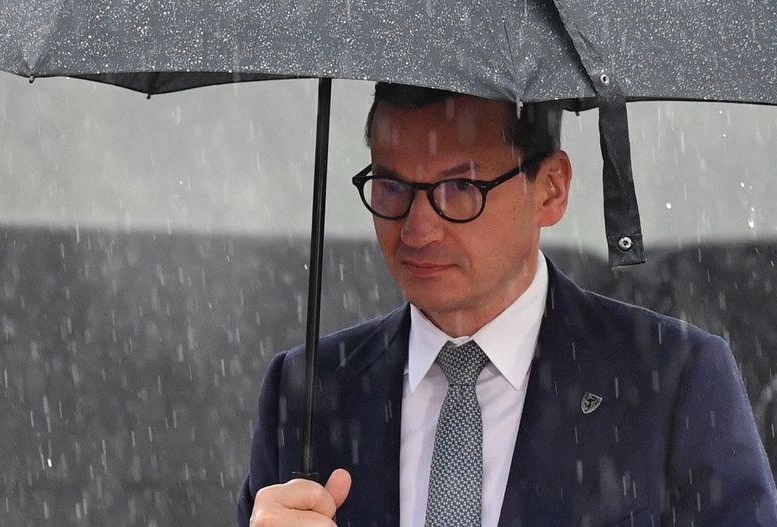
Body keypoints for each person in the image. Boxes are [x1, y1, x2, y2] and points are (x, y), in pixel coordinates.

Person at [238, 83, 777, 526]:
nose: (418, 229)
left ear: (551, 189)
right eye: (391, 186)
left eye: (460, 188)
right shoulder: (308, 391)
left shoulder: (674, 377)